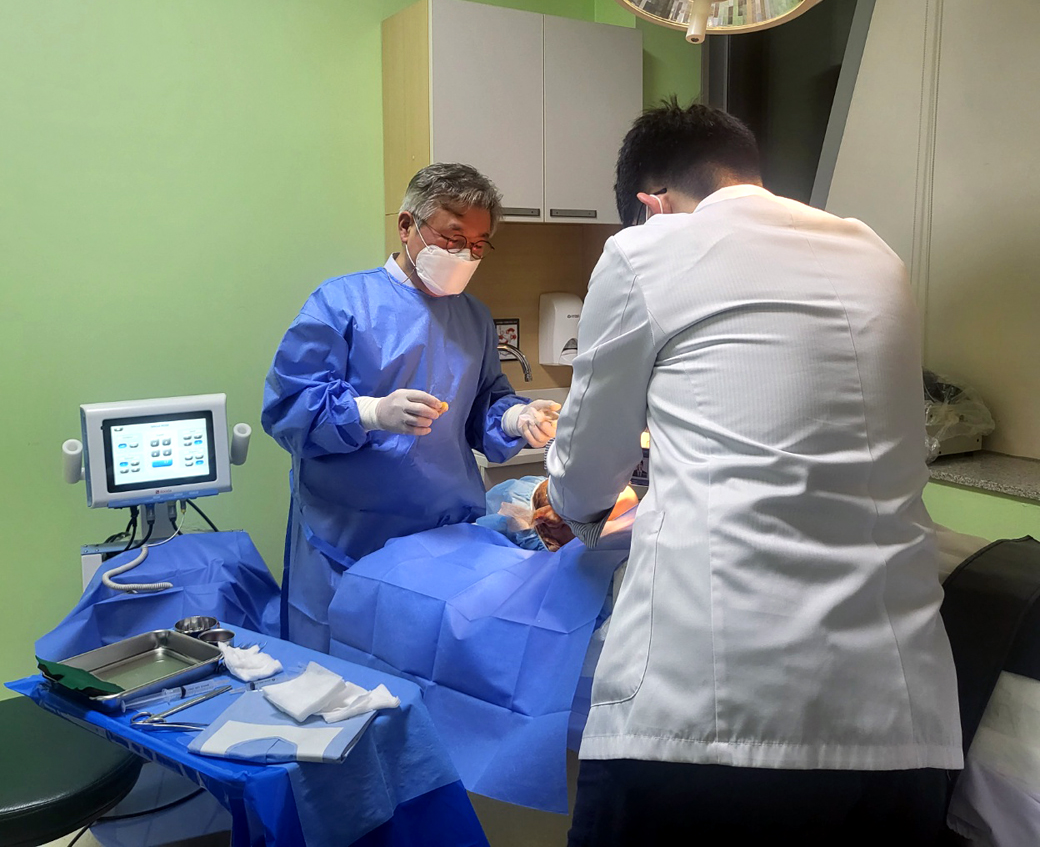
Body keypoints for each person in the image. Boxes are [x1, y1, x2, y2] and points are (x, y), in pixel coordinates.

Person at [533, 101, 962, 844]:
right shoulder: (875, 254)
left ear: (651, 205)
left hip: (707, 720)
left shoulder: (647, 250)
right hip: (902, 724)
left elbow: (584, 475)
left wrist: (570, 505)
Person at [262, 163, 561, 653]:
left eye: (478, 244)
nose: (465, 255)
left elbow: (483, 401)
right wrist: (369, 413)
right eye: (453, 238)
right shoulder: (341, 304)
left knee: (421, 668)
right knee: (340, 675)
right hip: (350, 542)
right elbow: (288, 407)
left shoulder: (473, 316)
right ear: (407, 226)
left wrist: (512, 417)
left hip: (443, 541)